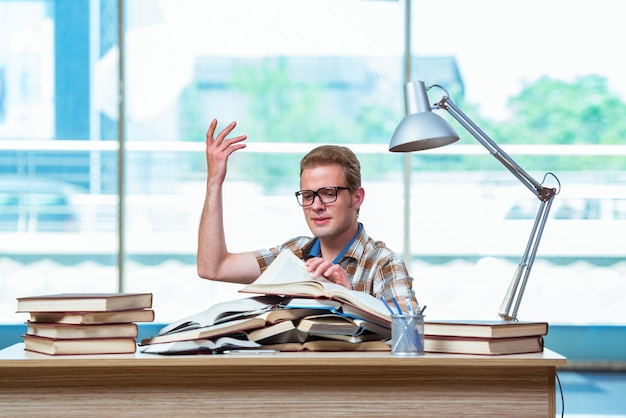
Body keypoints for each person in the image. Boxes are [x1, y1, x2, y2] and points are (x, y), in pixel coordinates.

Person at [197, 119, 418, 311]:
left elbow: (410, 335)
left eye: (329, 193)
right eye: (308, 195)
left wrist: (349, 299)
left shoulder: (383, 263)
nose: (316, 206)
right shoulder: (293, 253)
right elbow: (213, 267)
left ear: (357, 198)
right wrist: (214, 182)